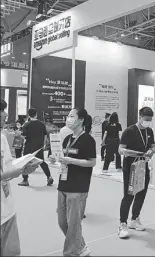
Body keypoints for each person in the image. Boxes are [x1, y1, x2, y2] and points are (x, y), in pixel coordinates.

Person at [1, 99, 39, 256]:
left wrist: (23, 167)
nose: (5, 115)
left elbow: (8, 166)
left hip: (7, 209)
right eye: (2, 110)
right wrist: (13, 173)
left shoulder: (2, 138)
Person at [55, 108, 96, 256]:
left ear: (81, 120)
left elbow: (92, 162)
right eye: (68, 116)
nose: (68, 118)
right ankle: (81, 246)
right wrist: (57, 160)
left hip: (78, 186)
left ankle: (71, 252)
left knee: (73, 224)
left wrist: (71, 160)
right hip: (63, 183)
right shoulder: (67, 139)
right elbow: (64, 159)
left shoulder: (88, 140)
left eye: (71, 116)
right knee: (62, 222)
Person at [117, 107, 155, 239]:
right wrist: (127, 152)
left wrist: (151, 152)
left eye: (150, 120)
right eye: (146, 119)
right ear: (140, 117)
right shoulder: (129, 131)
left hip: (144, 166)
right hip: (131, 167)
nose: (148, 122)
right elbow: (120, 149)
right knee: (129, 195)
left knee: (141, 193)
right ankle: (123, 224)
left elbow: (153, 147)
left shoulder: (149, 131)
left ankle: (134, 219)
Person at [18, 108, 53, 187]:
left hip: (29, 147)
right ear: (36, 114)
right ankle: (49, 177)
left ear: (29, 115)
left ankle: (25, 180)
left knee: (25, 163)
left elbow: (23, 137)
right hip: (39, 147)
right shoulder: (41, 124)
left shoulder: (26, 124)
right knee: (42, 162)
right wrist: (43, 145)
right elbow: (45, 135)